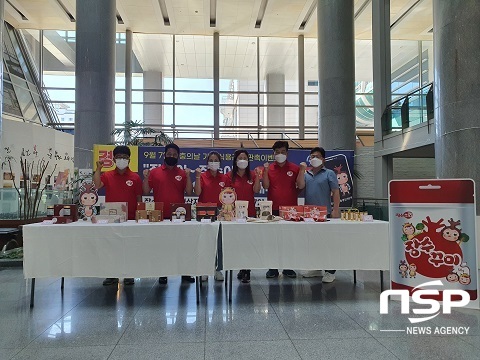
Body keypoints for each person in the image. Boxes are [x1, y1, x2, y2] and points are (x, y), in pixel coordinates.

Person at [143, 143, 194, 284]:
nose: (172, 156)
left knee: (182, 246)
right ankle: (163, 272)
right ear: (164, 155)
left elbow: (189, 192)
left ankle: (185, 273)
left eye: (174, 155)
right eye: (169, 154)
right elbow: (146, 192)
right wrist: (146, 177)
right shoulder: (154, 172)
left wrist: (188, 177)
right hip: (160, 215)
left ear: (178, 156)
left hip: (179, 216)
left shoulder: (182, 173)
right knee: (162, 246)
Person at [93, 145, 142, 286]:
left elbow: (139, 197)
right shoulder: (108, 175)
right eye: (119, 157)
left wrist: (139, 214)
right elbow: (97, 185)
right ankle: (112, 275)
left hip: (131, 218)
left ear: (129, 160)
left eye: (125, 158)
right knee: (111, 247)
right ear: (114, 159)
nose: (122, 160)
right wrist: (98, 168)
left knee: (129, 247)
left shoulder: (135, 177)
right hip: (111, 218)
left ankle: (129, 274)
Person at [297, 146, 340, 283]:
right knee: (313, 243)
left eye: (317, 156)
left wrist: (335, 210)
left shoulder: (329, 173)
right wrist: (302, 170)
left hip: (325, 214)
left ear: (323, 159)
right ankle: (315, 268)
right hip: (309, 215)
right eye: (312, 157)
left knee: (327, 243)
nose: (314, 159)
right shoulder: (306, 174)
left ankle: (330, 271)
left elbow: (336, 192)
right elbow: (300, 186)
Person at [262, 141, 301, 279]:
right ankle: (272, 268)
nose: (280, 155)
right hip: (272, 209)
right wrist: (265, 172)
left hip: (290, 210)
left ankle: (288, 267)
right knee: (273, 239)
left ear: (287, 153)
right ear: (273, 154)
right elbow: (266, 186)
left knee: (288, 239)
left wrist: (302, 171)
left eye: (283, 152)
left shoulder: (295, 168)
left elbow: (301, 185)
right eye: (277, 152)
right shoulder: (269, 168)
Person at [225, 149, 261, 283]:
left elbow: (257, 190)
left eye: (245, 158)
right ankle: (241, 266)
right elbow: (226, 195)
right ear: (235, 161)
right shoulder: (229, 176)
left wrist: (257, 177)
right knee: (238, 242)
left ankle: (247, 270)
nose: (242, 160)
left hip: (249, 213)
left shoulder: (252, 175)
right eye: (240, 158)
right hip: (234, 214)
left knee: (249, 242)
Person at [194, 151, 228, 281]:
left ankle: (218, 269)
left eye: (216, 160)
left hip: (220, 212)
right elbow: (197, 192)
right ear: (207, 163)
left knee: (219, 242)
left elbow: (228, 195)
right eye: (211, 160)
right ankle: (204, 269)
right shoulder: (202, 176)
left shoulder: (224, 178)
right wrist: (197, 177)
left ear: (219, 163)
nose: (213, 162)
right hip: (204, 211)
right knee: (204, 241)